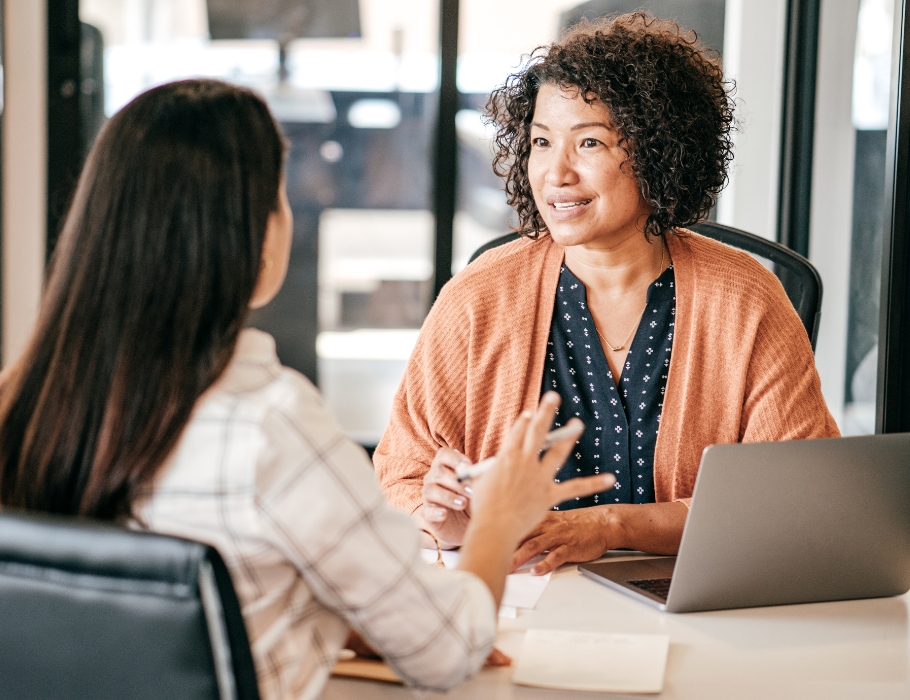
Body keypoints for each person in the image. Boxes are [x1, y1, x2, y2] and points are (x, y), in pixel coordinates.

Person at [0, 79, 613, 700]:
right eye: (280, 196)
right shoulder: (270, 424)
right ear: (252, 232)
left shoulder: (26, 401)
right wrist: (499, 522)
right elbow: (448, 652)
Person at [374, 13, 839, 576]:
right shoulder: (479, 296)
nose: (556, 173)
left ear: (657, 150)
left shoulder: (745, 297)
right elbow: (402, 474)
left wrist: (613, 526)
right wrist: (441, 518)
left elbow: (792, 498)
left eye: (589, 141)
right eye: (542, 142)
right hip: (515, 594)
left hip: (689, 599)